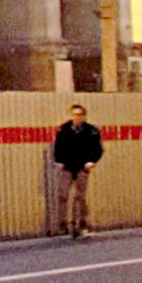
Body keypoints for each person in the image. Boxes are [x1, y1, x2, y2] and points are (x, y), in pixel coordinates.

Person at [48, 102, 105, 239]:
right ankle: (63, 224)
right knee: (63, 195)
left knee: (80, 196)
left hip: (82, 166)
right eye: (74, 114)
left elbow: (97, 149)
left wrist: (92, 161)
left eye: (79, 115)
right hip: (67, 166)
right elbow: (58, 147)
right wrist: (59, 161)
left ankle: (80, 223)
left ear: (84, 116)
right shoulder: (64, 130)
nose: (76, 117)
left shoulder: (91, 130)